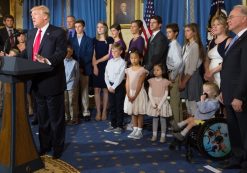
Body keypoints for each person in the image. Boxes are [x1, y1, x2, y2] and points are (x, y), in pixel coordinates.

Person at [26, 5, 67, 159]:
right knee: (42, 118)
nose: (33, 17)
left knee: (55, 119)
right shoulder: (31, 33)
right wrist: (11, 56)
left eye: (35, 14)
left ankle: (57, 148)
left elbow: (61, 53)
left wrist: (47, 60)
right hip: (36, 83)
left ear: (45, 16)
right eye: (31, 15)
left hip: (52, 82)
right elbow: (28, 54)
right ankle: (44, 146)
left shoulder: (58, 32)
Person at [220, 5, 247, 171]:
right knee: (234, 130)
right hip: (229, 94)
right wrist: (224, 91)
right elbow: (229, 69)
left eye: (231, 17)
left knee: (244, 131)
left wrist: (239, 96)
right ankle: (237, 158)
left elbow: (245, 71)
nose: (228, 20)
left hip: (240, 96)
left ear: (244, 19)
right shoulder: (235, 39)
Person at [179, 23, 204, 117]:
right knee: (187, 104)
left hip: (192, 78)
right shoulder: (186, 46)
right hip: (185, 77)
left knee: (193, 104)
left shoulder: (195, 46)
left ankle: (196, 128)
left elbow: (192, 68)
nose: (185, 33)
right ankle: (191, 127)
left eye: (188, 30)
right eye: (185, 31)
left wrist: (183, 82)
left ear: (194, 32)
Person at [70, 19, 93, 121]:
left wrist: (81, 67)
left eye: (79, 26)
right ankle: (76, 111)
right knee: (75, 91)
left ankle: (86, 112)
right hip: (73, 70)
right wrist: (76, 67)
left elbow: (89, 54)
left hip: (85, 69)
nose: (77, 28)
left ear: (83, 27)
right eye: (76, 27)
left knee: (84, 91)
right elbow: (71, 54)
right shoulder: (71, 40)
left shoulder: (89, 40)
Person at [124, 48, 148, 139]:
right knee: (133, 112)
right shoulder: (128, 70)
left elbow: (139, 84)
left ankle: (139, 131)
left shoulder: (142, 70)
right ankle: (134, 129)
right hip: (130, 93)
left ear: (140, 58)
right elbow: (127, 82)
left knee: (139, 113)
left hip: (138, 94)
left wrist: (134, 96)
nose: (133, 60)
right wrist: (128, 93)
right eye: (131, 58)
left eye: (135, 58)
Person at [92, 21, 114, 121]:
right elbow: (93, 54)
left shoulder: (110, 39)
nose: (99, 29)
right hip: (96, 65)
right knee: (96, 89)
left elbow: (110, 54)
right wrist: (95, 65)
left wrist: (97, 61)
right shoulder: (94, 40)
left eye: (101, 27)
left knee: (105, 89)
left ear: (105, 28)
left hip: (106, 66)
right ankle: (98, 111)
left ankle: (104, 111)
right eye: (98, 27)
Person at [104, 43, 126, 134]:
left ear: (120, 52)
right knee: (112, 106)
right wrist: (109, 85)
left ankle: (119, 125)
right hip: (110, 86)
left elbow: (120, 76)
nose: (113, 53)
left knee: (119, 106)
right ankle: (113, 124)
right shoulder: (109, 62)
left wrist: (113, 86)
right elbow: (106, 74)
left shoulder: (123, 62)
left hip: (119, 86)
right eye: (112, 51)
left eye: (116, 51)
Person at [147, 64, 172, 143]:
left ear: (162, 71)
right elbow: (150, 93)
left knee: (163, 119)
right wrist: (153, 103)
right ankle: (154, 135)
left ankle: (163, 136)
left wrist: (160, 104)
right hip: (154, 102)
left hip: (162, 102)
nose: (155, 71)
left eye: (158, 70)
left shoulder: (165, 82)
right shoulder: (151, 81)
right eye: (154, 70)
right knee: (154, 119)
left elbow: (166, 94)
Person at [204, 15, 231, 87]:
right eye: (213, 25)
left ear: (225, 26)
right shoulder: (211, 41)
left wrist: (212, 72)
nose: (215, 27)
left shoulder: (229, 41)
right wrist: (207, 71)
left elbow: (228, 61)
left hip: (223, 76)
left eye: (218, 24)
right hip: (211, 77)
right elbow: (207, 59)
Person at [166, 23, 183, 122]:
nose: (167, 34)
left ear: (175, 33)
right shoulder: (172, 45)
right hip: (173, 73)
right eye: (167, 32)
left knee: (174, 101)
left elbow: (179, 62)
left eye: (170, 32)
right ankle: (178, 124)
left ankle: (176, 125)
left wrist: (172, 75)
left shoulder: (174, 46)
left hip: (174, 74)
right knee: (175, 101)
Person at [64, 45, 80, 125]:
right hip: (63, 85)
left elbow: (77, 76)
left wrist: (75, 85)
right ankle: (67, 117)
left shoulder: (75, 62)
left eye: (70, 52)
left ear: (72, 52)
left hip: (71, 85)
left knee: (72, 102)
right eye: (66, 51)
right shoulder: (61, 61)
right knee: (65, 102)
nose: (68, 53)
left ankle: (74, 118)